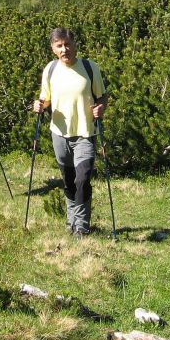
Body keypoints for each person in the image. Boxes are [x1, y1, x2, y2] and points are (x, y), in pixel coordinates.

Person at [32, 28, 107, 236]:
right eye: (59, 46)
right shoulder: (50, 69)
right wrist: (39, 105)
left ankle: (81, 226)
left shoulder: (90, 68)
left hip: (85, 133)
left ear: (74, 45)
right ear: (53, 49)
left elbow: (102, 97)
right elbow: (45, 97)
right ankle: (71, 219)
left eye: (67, 44)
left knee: (82, 179)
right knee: (68, 180)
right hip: (59, 134)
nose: (64, 49)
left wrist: (101, 107)